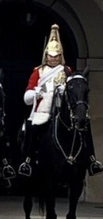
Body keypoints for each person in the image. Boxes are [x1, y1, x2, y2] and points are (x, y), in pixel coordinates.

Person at [19, 24, 103, 177]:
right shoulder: (38, 72)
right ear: (46, 55)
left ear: (60, 55)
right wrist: (37, 92)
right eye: (51, 55)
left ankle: (92, 160)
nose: (53, 58)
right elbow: (27, 97)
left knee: (85, 126)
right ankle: (28, 161)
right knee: (32, 130)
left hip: (63, 110)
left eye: (56, 55)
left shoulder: (67, 71)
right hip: (43, 109)